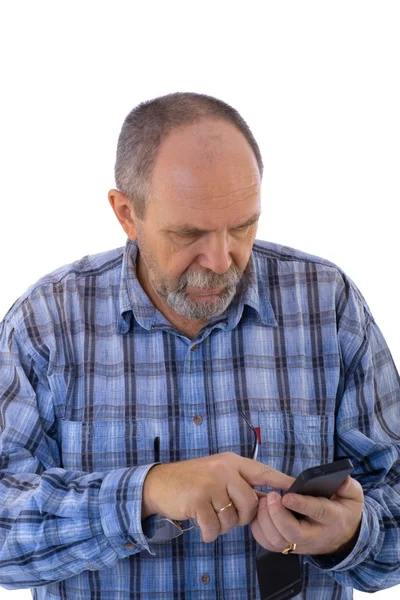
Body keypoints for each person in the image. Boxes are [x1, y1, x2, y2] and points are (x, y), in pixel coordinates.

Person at [0, 92, 399, 600]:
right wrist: (144, 493)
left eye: (242, 226)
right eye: (189, 233)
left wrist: (348, 535)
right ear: (126, 213)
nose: (219, 259)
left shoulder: (328, 304)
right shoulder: (46, 323)